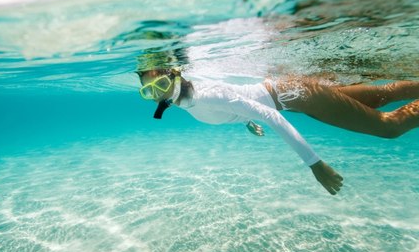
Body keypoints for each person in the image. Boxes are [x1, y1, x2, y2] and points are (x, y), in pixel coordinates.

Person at [137, 68, 419, 195]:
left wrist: (315, 164)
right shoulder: (192, 98)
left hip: (298, 96)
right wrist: (245, 120)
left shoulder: (206, 95)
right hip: (294, 93)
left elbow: (268, 112)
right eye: (148, 92)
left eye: (160, 84)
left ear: (176, 74)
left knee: (389, 126)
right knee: (381, 95)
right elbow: (241, 99)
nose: (157, 95)